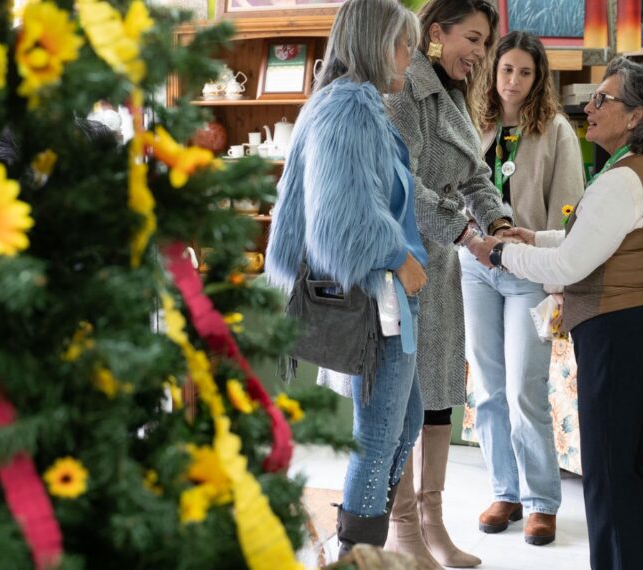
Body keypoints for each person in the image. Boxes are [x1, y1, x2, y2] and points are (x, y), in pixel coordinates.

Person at [468, 56, 643, 570]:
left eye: (603, 98)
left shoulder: (621, 180)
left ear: (636, 116)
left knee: (609, 472)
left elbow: (568, 265)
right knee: (624, 467)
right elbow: (595, 241)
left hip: (615, 330)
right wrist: (532, 237)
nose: (591, 106)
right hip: (638, 323)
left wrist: (498, 252)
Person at [263, 0, 427, 557]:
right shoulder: (351, 105)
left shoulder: (349, 102)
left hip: (388, 299)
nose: (409, 57)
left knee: (403, 423)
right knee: (378, 439)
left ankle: (361, 549)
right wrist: (399, 257)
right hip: (381, 297)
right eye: (403, 45)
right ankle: (358, 555)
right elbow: (342, 220)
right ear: (375, 43)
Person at [383, 1, 513, 567]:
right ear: (436, 32)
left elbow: (475, 176)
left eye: (486, 43)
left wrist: (500, 223)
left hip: (440, 266)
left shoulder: (453, 94)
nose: (481, 54)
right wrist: (465, 231)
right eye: (474, 39)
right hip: (400, 263)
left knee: (438, 399)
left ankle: (431, 520)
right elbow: (400, 183)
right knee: (400, 402)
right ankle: (402, 527)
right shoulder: (404, 88)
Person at [458, 30, 585, 548]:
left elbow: (569, 211)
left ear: (538, 79)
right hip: (474, 267)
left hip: (528, 272)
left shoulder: (555, 130)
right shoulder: (472, 123)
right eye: (506, 69)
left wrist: (558, 280)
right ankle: (505, 493)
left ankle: (540, 502)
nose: (513, 80)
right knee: (487, 389)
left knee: (522, 388)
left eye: (525, 72)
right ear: (493, 72)